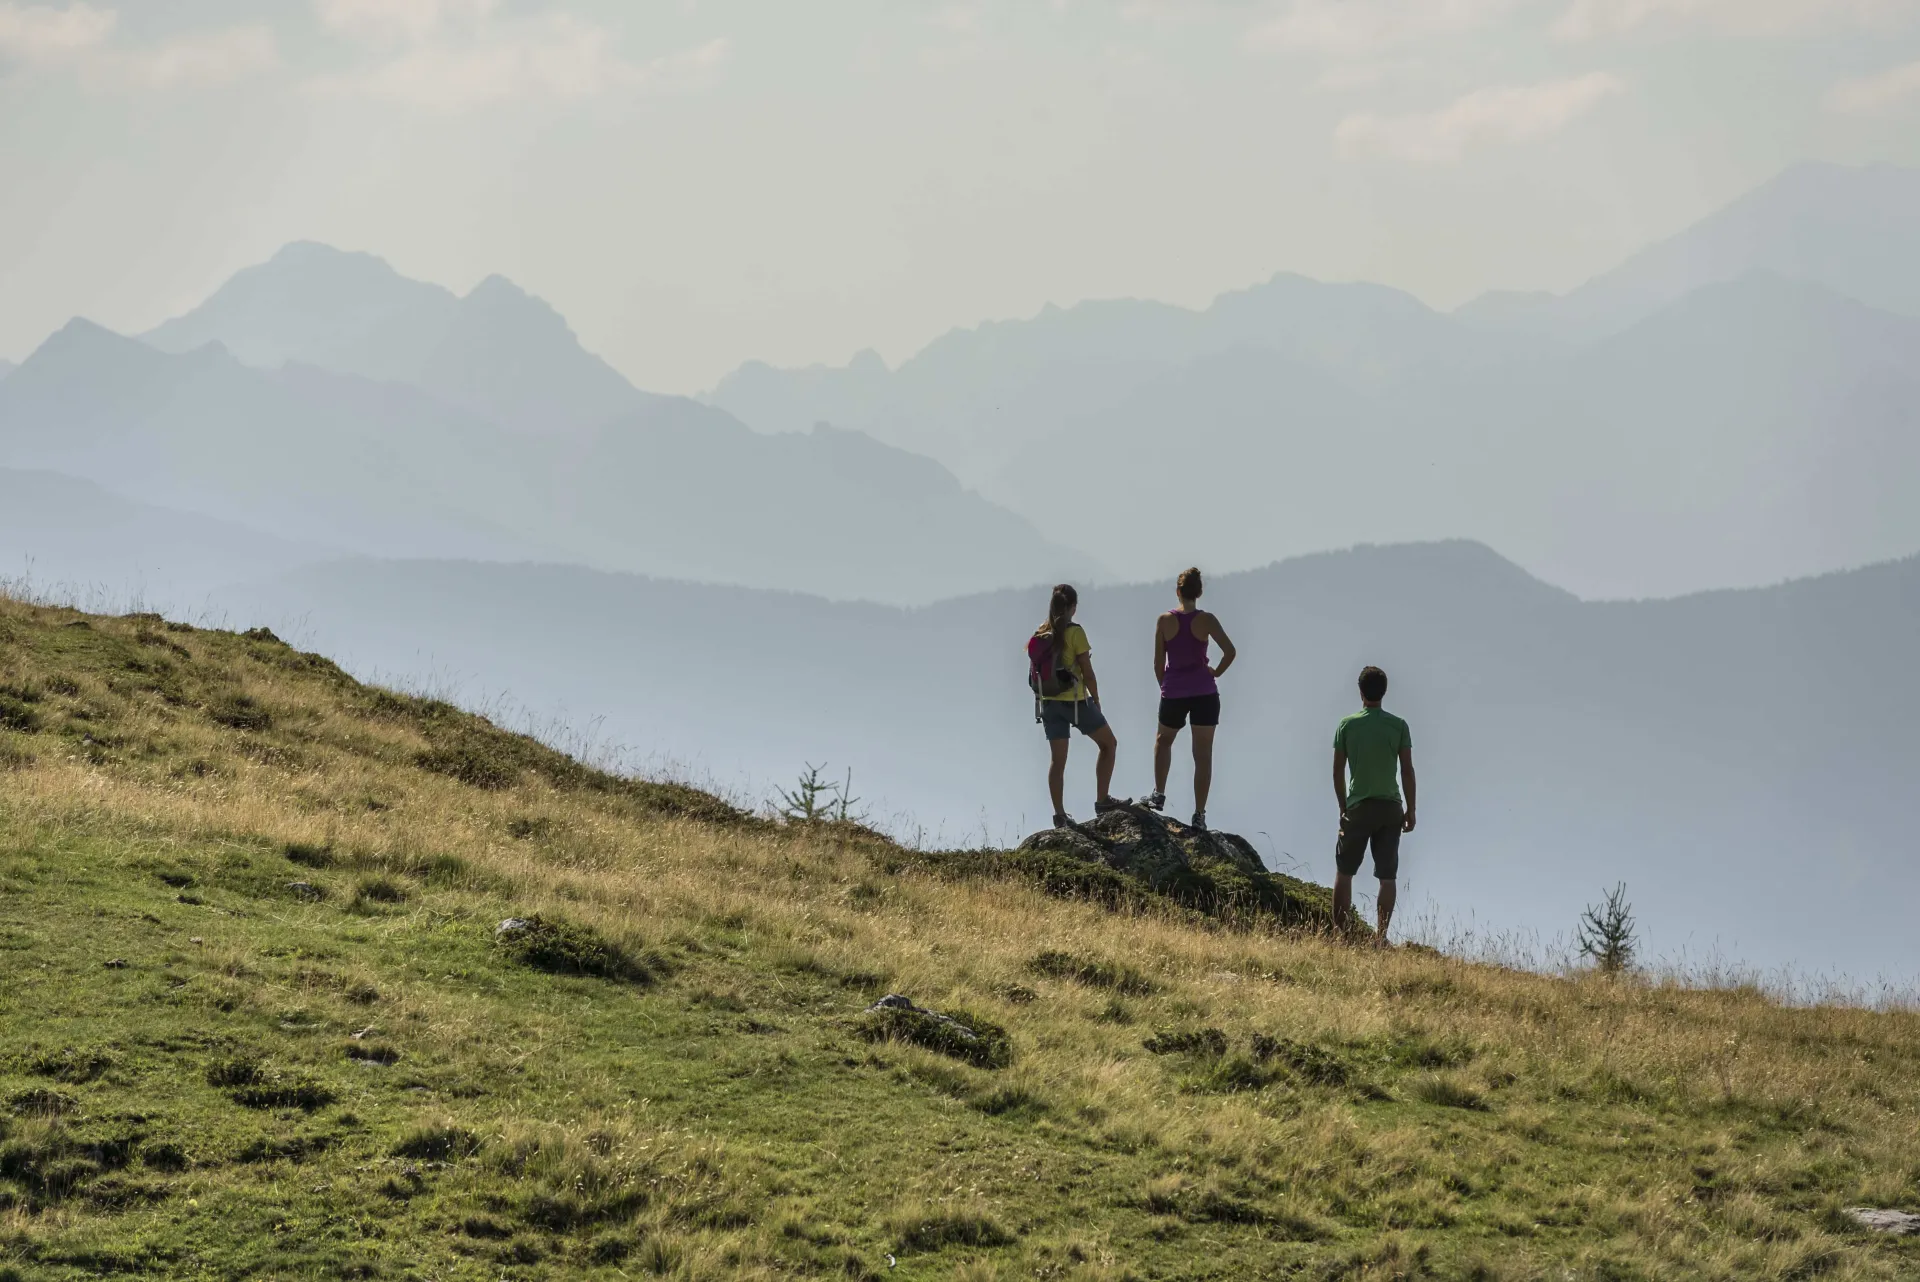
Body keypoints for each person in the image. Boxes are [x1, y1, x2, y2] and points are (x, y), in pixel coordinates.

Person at [1029, 584, 1128, 827]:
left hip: (1048, 703)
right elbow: (1088, 672)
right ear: (1073, 607)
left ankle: (1060, 815)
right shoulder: (1075, 633)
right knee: (1109, 744)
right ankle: (1102, 800)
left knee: (1057, 761)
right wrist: (1095, 698)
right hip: (1076, 702)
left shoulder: (1040, 633)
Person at [1331, 666, 1416, 944]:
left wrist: (1343, 806)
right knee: (1387, 876)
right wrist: (1411, 808)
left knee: (1345, 873)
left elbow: (1337, 771)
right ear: (1385, 691)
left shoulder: (1347, 725)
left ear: (1360, 691)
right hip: (1390, 807)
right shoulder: (1398, 725)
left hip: (1359, 806)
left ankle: (1342, 936)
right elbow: (1406, 770)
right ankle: (1380, 938)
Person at [1147, 567, 1236, 830]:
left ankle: (1159, 794)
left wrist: (1166, 686)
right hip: (1205, 692)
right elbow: (1230, 651)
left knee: (1163, 742)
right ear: (1199, 592)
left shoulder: (1164, 620)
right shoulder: (1207, 620)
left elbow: (1157, 663)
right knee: (1203, 755)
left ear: (1178, 591)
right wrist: (1215, 672)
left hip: (1174, 692)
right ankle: (1199, 814)